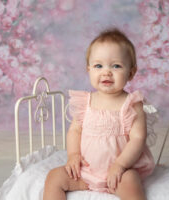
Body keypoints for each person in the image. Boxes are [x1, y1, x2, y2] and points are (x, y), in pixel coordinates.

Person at [43, 28, 155, 200]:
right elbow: (75, 131)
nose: (106, 72)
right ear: (89, 70)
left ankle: (125, 179)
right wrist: (73, 156)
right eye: (98, 66)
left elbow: (138, 139)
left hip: (120, 173)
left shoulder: (132, 104)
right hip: (86, 171)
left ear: (131, 73)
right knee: (54, 177)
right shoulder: (85, 102)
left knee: (131, 181)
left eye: (116, 66)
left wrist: (120, 165)